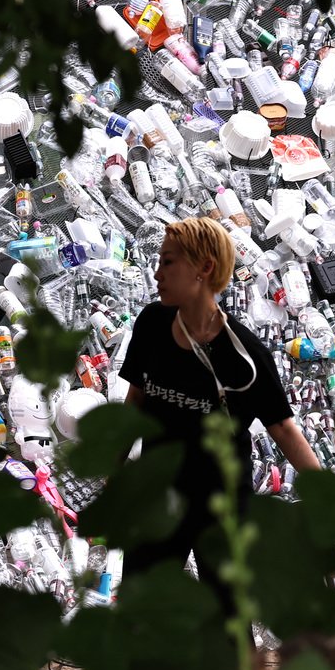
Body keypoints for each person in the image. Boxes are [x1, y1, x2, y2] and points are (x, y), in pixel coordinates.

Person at [117, 216, 321, 622]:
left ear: (204, 269)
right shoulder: (151, 325)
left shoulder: (245, 356)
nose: (157, 273)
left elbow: (282, 429)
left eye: (169, 262)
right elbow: (135, 400)